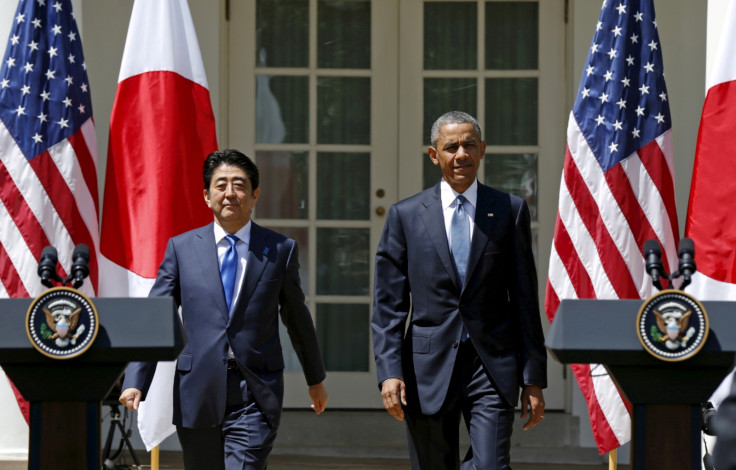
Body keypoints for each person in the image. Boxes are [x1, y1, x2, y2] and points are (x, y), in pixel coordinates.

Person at [120, 149, 328, 470]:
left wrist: (315, 379)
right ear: (206, 196)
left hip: (255, 392)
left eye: (239, 185)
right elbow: (157, 316)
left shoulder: (280, 251)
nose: (230, 193)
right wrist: (136, 378)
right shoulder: (182, 249)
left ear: (255, 195)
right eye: (220, 185)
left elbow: (296, 318)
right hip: (197, 391)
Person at [371, 111, 547, 469]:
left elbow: (525, 299)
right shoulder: (405, 215)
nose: (461, 154)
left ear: (482, 150)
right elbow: (388, 305)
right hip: (426, 368)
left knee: (491, 466)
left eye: (469, 145)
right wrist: (389, 372)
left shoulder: (509, 210)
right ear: (434, 155)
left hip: (493, 365)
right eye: (451, 147)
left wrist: (533, 379)